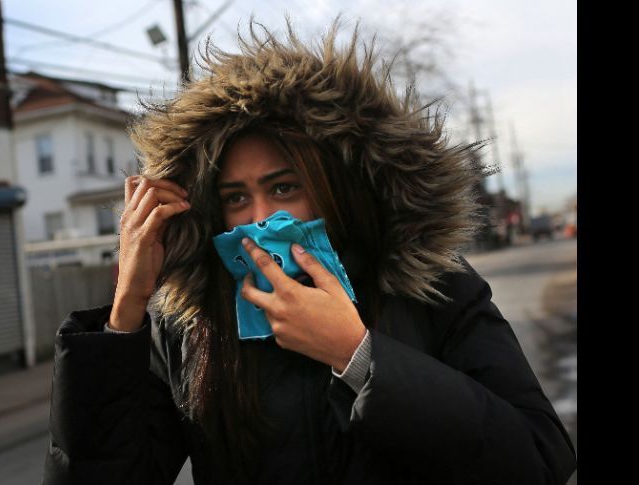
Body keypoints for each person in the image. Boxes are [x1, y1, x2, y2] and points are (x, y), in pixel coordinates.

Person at [42, 19, 576, 485]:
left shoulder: (433, 286)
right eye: (235, 198)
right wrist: (127, 307)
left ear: (335, 189)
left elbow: (537, 459)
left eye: (283, 188)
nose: (258, 219)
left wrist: (360, 357)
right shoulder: (190, 320)